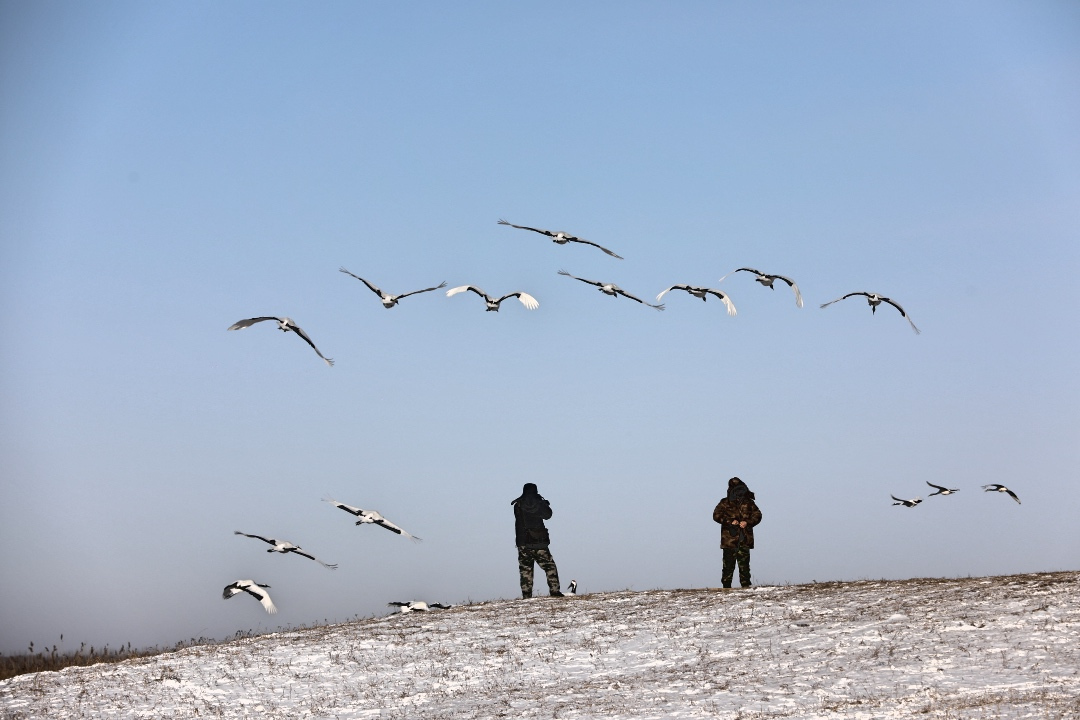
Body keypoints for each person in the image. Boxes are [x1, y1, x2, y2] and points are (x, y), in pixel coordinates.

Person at [512, 483, 563, 598]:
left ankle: (526, 595)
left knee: (526, 570)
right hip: (539, 541)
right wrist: (543, 503)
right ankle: (555, 591)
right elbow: (548, 515)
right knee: (549, 566)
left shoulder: (518, 505)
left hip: (523, 543)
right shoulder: (539, 503)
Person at [712, 476, 762, 588]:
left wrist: (747, 522)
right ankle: (726, 587)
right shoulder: (725, 502)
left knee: (744, 566)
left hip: (744, 539)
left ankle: (746, 588)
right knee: (728, 566)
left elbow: (758, 515)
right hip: (729, 540)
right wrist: (729, 521)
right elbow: (716, 515)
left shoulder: (749, 503)